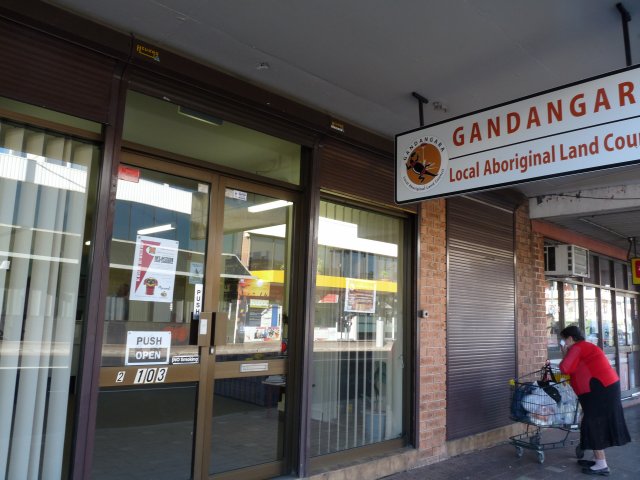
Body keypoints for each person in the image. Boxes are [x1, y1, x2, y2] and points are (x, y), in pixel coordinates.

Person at [559, 325, 631, 476]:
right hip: (603, 387)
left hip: (599, 388)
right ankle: (598, 460)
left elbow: (565, 368)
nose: (564, 343)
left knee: (593, 422)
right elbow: (575, 369)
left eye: (564, 340)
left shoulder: (577, 348)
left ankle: (602, 464)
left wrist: (565, 354)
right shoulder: (585, 346)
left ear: (570, 338)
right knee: (594, 421)